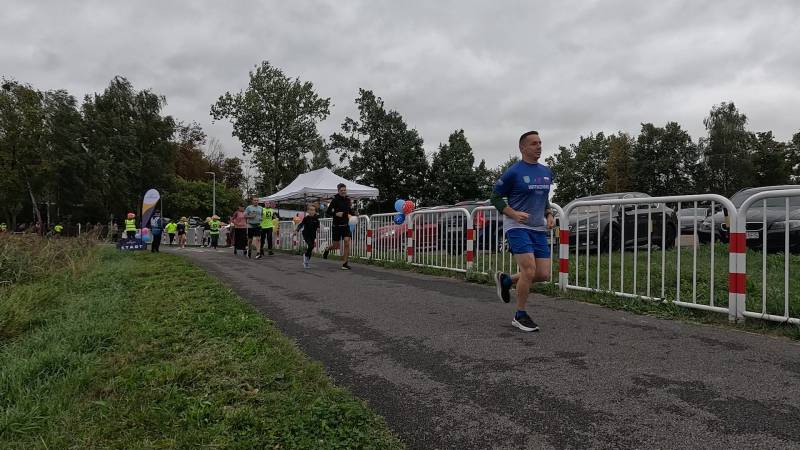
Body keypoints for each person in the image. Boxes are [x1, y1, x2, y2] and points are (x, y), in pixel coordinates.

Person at [491, 131, 556, 332]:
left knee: (543, 274)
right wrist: (512, 212)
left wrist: (549, 214)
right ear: (523, 148)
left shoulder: (546, 172)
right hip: (517, 226)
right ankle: (520, 315)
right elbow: (495, 197)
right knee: (529, 270)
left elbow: (543, 197)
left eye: (540, 143)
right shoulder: (513, 172)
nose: (539, 147)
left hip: (538, 227)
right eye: (534, 144)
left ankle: (507, 280)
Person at [322, 183, 355, 270]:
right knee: (336, 246)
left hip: (346, 226)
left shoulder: (348, 200)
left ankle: (345, 264)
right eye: (341, 190)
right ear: (338, 191)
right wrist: (335, 214)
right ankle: (327, 249)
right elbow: (328, 212)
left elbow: (349, 210)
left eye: (344, 190)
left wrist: (355, 214)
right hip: (336, 226)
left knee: (347, 242)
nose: (343, 192)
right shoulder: (335, 200)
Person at [296, 204, 321, 269]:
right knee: (311, 246)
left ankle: (306, 261)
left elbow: (318, 225)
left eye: (313, 210)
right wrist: (297, 230)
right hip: (306, 234)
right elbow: (301, 224)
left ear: (315, 211)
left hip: (313, 235)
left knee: (311, 248)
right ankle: (306, 259)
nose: (312, 211)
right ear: (308, 211)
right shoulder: (306, 218)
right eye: (310, 210)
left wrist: (318, 228)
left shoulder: (316, 219)